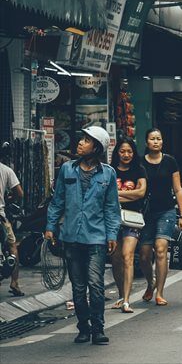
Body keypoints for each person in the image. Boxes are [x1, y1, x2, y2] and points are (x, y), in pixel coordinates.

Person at [45, 126, 120, 344]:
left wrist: (112, 234)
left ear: (96, 147)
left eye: (86, 140)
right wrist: (50, 226)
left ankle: (98, 327)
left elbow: (111, 209)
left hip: (96, 238)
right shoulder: (67, 169)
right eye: (82, 139)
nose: (80, 143)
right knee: (78, 288)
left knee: (95, 285)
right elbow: (57, 201)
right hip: (71, 238)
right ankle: (83, 327)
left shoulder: (108, 173)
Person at [139, 128, 182, 307]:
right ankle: (150, 283)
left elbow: (177, 189)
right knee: (144, 255)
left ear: (162, 142)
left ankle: (159, 292)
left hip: (166, 211)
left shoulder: (170, 162)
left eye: (159, 138)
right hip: (145, 214)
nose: (156, 142)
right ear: (146, 142)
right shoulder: (139, 163)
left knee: (161, 249)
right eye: (152, 139)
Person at [110, 139, 147, 313]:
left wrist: (117, 195)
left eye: (130, 151)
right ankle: (120, 294)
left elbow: (141, 193)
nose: (126, 155)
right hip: (112, 219)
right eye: (123, 151)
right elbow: (106, 195)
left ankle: (126, 300)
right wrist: (128, 195)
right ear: (117, 152)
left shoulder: (139, 170)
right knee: (116, 259)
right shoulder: (110, 171)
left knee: (127, 256)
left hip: (132, 219)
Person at [0, 154, 24, 297]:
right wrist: (10, 199)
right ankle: (14, 283)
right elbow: (20, 193)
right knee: (12, 246)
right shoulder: (6, 170)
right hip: (1, 216)